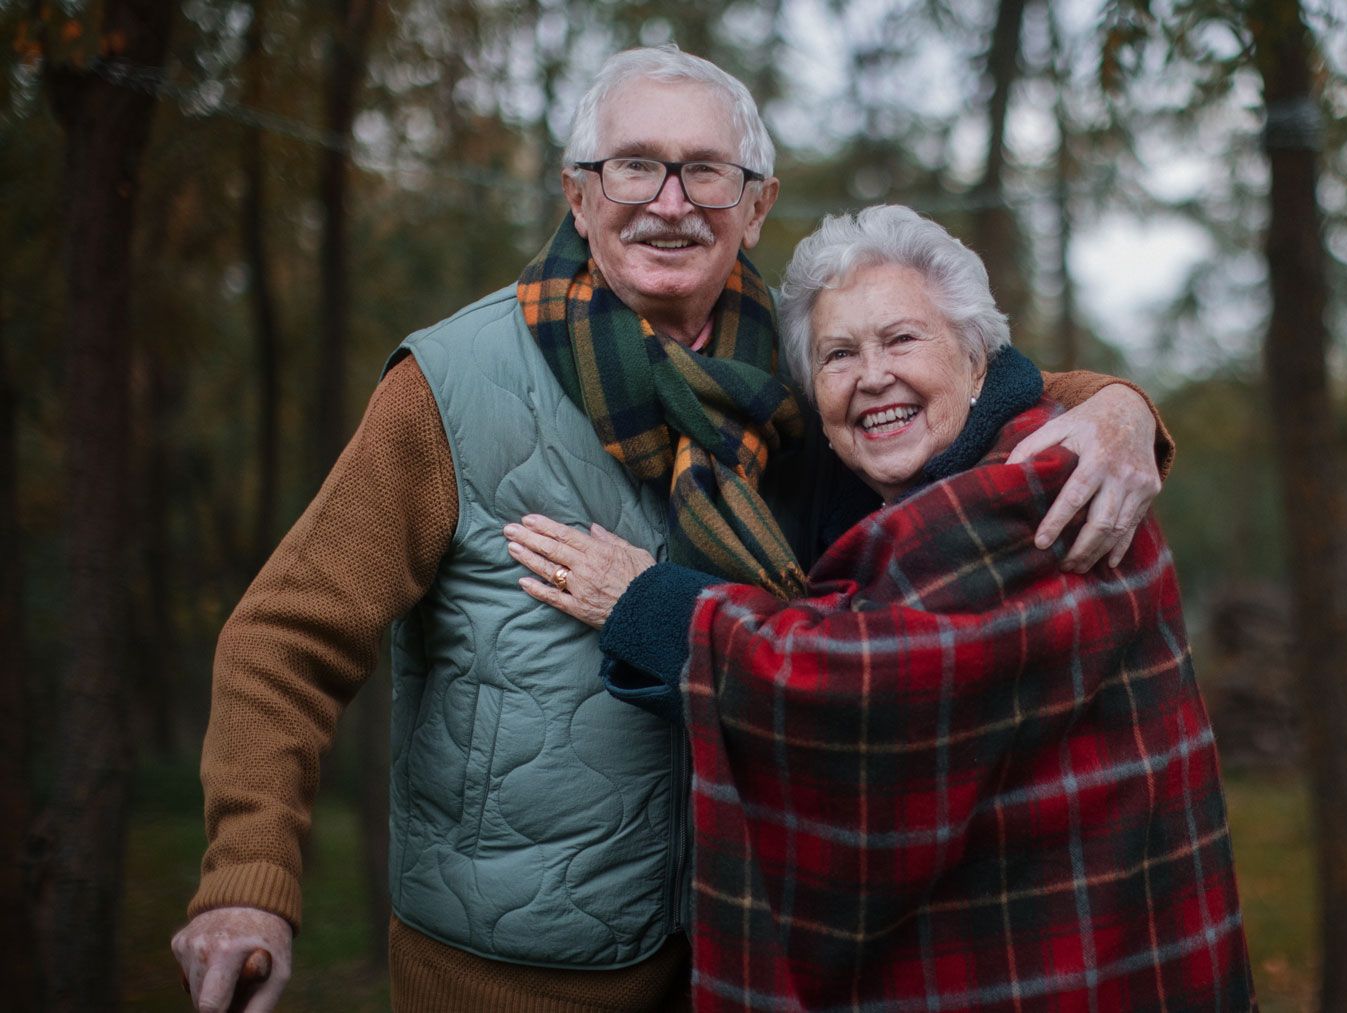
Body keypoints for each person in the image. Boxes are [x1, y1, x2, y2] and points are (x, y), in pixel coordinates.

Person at [170, 47, 1171, 1012]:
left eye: (706, 172)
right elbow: (286, 638)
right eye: (635, 167)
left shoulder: (803, 368)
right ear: (577, 193)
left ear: (757, 203)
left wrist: (1122, 406)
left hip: (744, 945)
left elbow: (965, 385)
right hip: (517, 965)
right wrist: (246, 877)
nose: (670, 201)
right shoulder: (452, 382)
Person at [504, 205, 1254, 1010]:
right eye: (837, 355)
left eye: (902, 339)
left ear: (976, 360)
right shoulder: (884, 494)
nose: (871, 376)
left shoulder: (1046, 482)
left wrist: (644, 600)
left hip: (1081, 962)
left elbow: (858, 684)